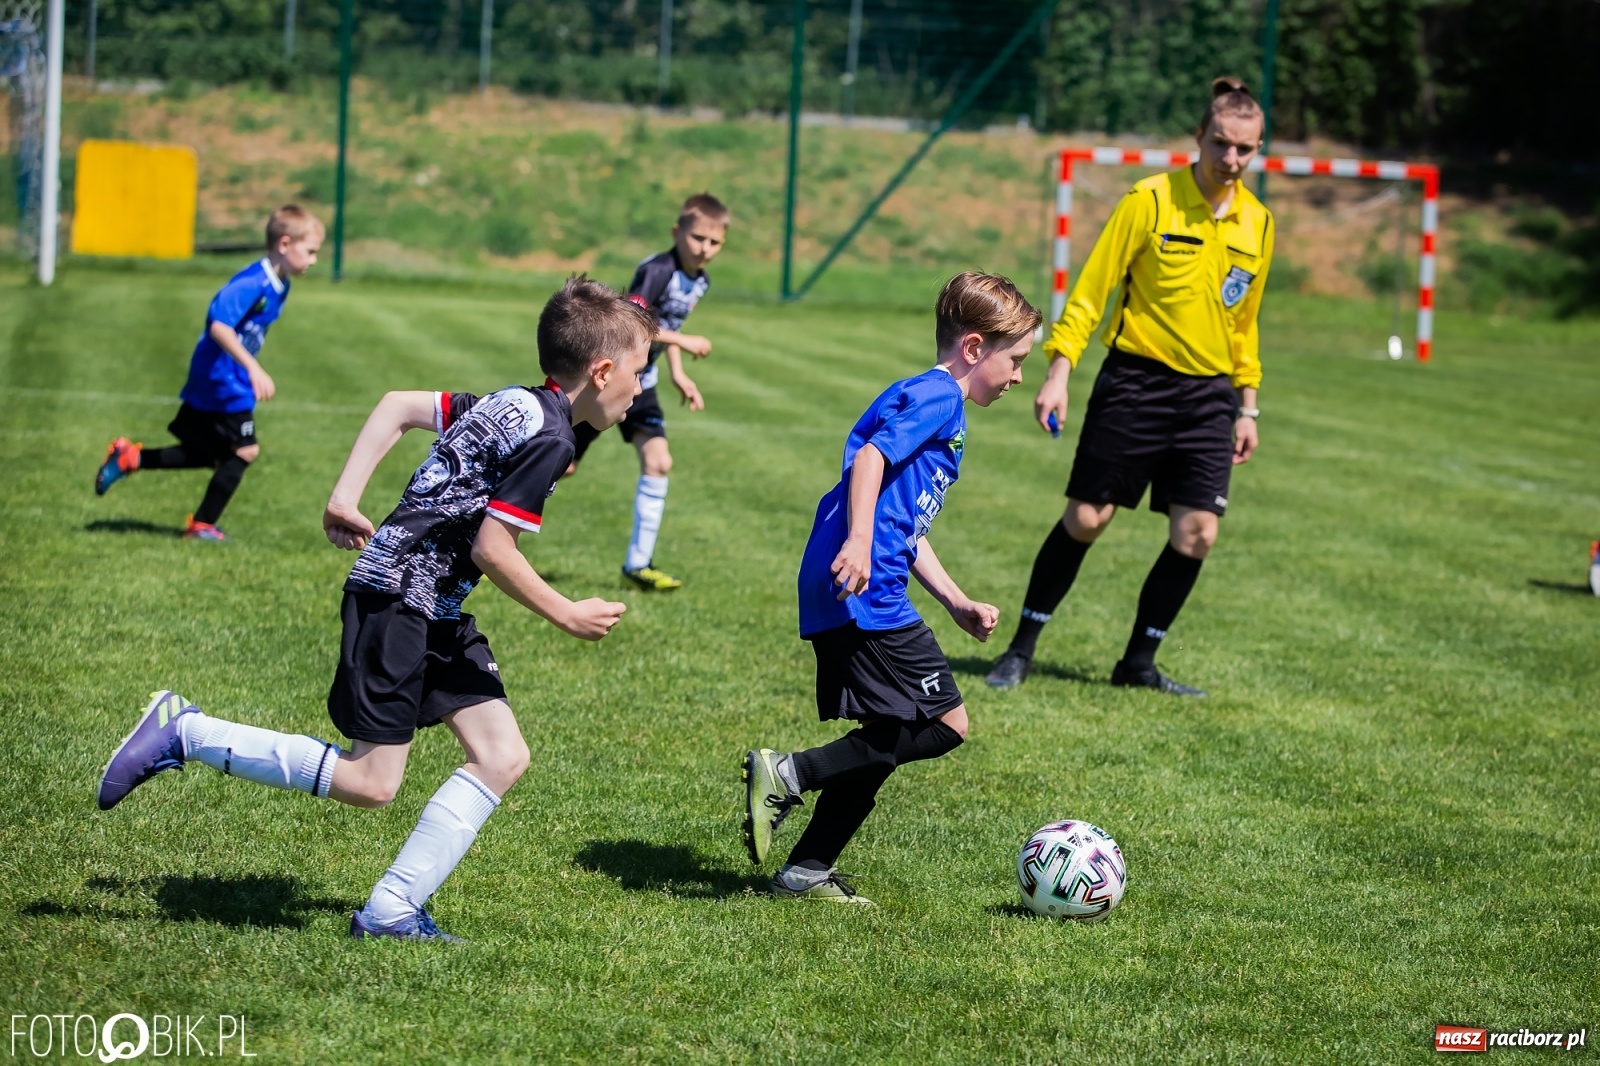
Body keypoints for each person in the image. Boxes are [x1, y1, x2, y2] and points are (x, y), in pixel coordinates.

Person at [95, 277, 652, 941]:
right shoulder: (553, 439)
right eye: (639, 372)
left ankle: (390, 912)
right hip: (401, 601)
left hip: (430, 605)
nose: (640, 389)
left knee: (502, 754)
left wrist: (344, 496)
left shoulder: (511, 402)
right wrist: (566, 612)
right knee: (370, 782)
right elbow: (492, 547)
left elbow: (397, 406)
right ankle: (186, 732)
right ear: (603, 371)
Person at [742, 272, 1040, 904]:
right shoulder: (940, 397)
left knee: (884, 737)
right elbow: (870, 460)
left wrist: (954, 599)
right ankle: (789, 772)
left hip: (852, 580)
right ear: (974, 347)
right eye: (1015, 360)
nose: (1018, 377)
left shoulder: (929, 396)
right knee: (946, 724)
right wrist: (857, 541)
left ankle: (806, 871)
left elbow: (902, 525)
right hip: (865, 589)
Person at [985, 77, 1275, 698]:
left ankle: (1138, 664)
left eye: (1244, 149)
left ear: (1258, 150)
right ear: (1199, 136)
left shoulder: (1259, 222)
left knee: (1198, 533)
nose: (1230, 158)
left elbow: (1244, 324)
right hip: (1136, 383)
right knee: (1087, 518)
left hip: (1210, 398)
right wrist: (1059, 370)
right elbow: (1092, 292)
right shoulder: (1149, 200)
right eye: (1220, 143)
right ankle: (1020, 649)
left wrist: (1248, 406)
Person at [94, 205, 325, 541]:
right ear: (285, 244)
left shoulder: (281, 283)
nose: (314, 260)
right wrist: (253, 367)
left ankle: (131, 458)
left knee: (213, 453)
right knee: (244, 451)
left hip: (226, 376)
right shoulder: (252, 282)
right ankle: (202, 525)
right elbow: (219, 325)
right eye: (311, 251)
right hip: (222, 378)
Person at [566, 193, 729, 591]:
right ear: (677, 233)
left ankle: (638, 564)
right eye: (698, 238)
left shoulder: (701, 280)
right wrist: (684, 341)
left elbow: (667, 322)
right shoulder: (658, 271)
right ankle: (486, 517)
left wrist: (678, 373)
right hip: (607, 381)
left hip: (643, 382)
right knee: (561, 463)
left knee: (658, 461)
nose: (705, 249)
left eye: (714, 242)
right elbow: (634, 324)